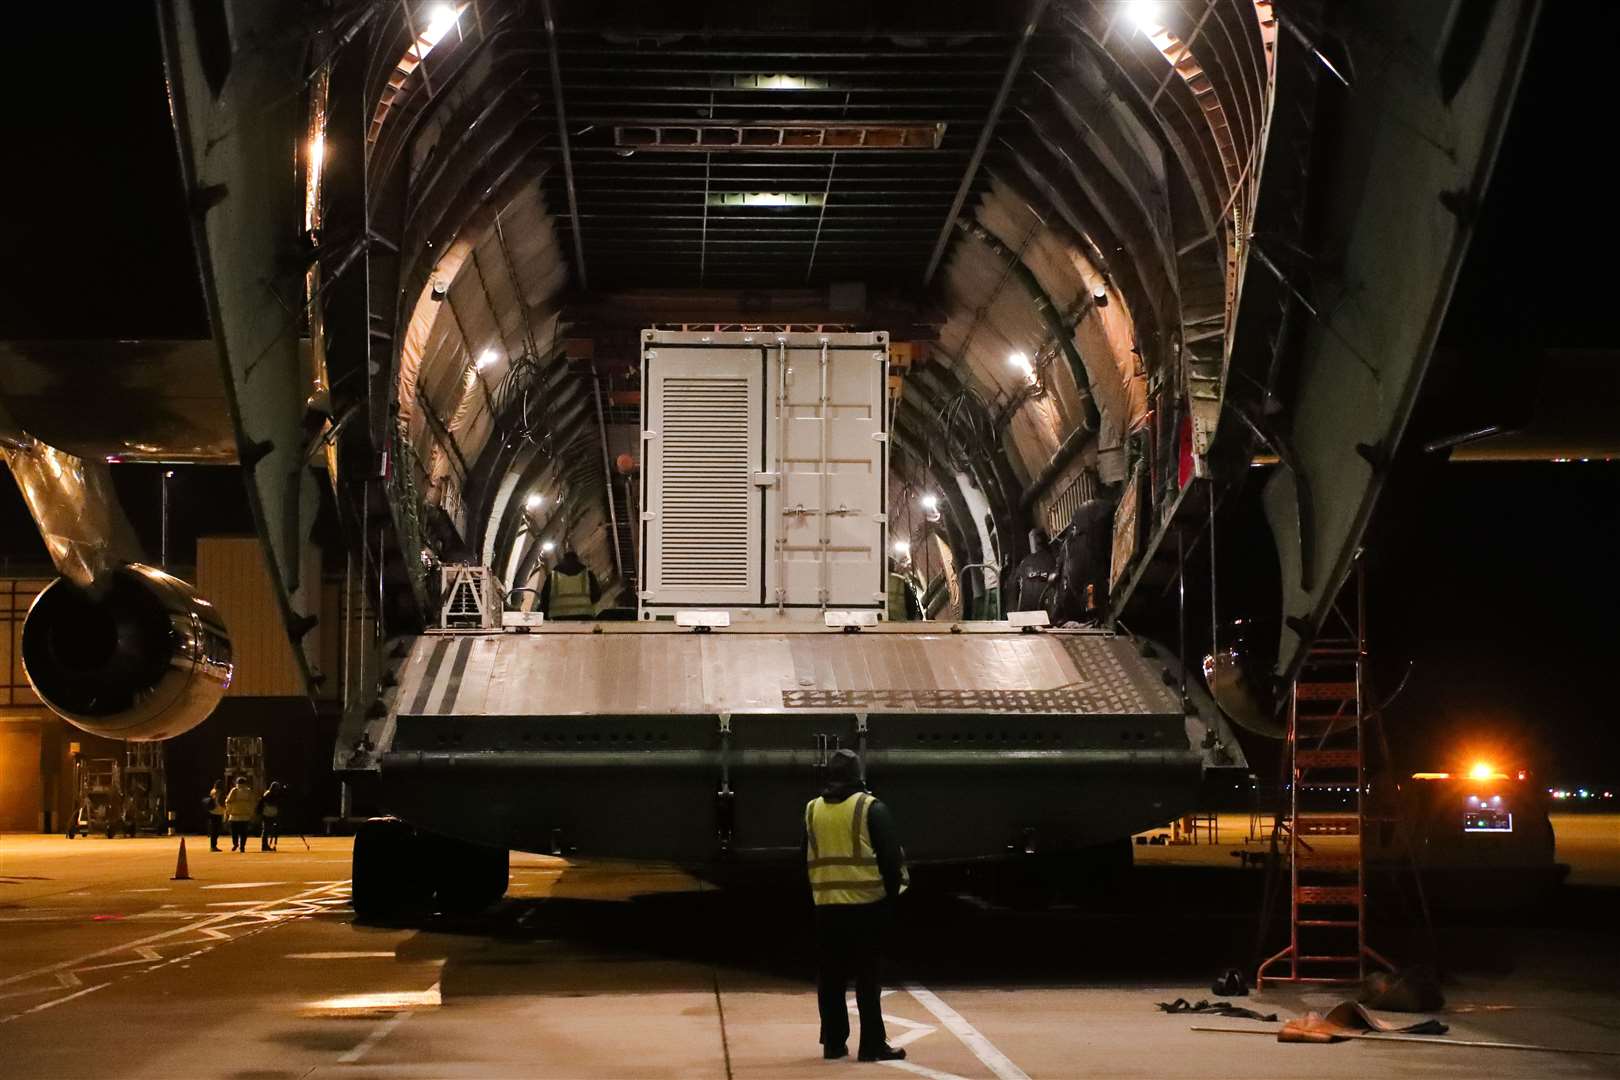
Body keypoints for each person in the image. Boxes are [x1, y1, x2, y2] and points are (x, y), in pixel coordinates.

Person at [804, 749, 908, 1063]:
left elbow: (804, 857)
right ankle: (872, 1045)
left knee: (831, 979)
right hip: (866, 908)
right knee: (867, 979)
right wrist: (891, 898)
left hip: (826, 907)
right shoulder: (870, 808)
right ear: (858, 775)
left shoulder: (812, 810)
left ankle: (834, 1043)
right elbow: (891, 861)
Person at [540, 548, 600, 620]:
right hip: (584, 616)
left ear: (563, 559)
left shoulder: (553, 576)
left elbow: (544, 598)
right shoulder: (588, 574)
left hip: (558, 618)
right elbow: (596, 595)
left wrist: (546, 617)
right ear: (577, 559)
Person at [222, 775, 257, 852]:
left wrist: (228, 812)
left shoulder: (234, 790)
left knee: (234, 833)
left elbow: (227, 801)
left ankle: (235, 844)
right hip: (245, 816)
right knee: (244, 833)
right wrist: (251, 813)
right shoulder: (249, 791)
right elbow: (253, 803)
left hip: (234, 816)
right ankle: (242, 846)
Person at [886, 556, 921, 622]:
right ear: (892, 566)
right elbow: (912, 606)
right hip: (900, 624)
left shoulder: (873, 580)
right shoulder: (901, 580)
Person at [259, 781, 284, 851]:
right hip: (267, 814)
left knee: (269, 830)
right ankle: (264, 846)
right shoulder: (268, 794)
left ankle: (266, 845)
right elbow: (270, 803)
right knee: (266, 830)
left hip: (271, 813)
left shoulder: (270, 794)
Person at [205, 779, 226, 851]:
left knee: (213, 830)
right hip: (218, 812)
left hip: (212, 812)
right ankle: (213, 846)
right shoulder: (220, 792)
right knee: (216, 830)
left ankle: (212, 845)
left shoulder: (212, 791)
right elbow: (222, 802)